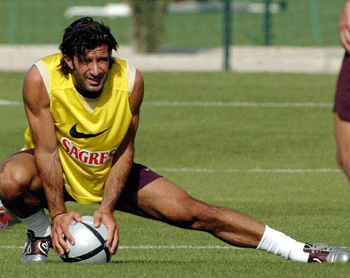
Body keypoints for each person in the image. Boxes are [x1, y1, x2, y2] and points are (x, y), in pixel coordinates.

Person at [0, 17, 349, 264]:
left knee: (196, 213)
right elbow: (46, 150)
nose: (96, 69)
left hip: (107, 170)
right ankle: (40, 232)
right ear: (68, 62)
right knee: (9, 179)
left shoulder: (130, 81)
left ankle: (301, 251)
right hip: (57, 169)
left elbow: (124, 148)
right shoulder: (41, 78)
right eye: (87, 61)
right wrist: (58, 213)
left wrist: (105, 208)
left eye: (103, 59)